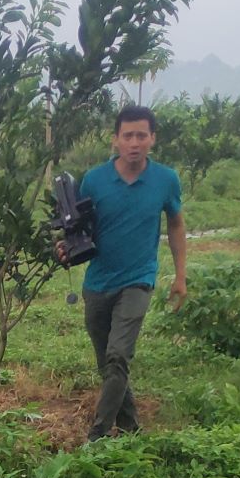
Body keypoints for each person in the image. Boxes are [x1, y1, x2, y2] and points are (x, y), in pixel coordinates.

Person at [57, 104, 188, 442]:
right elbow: (79, 231)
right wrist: (67, 248)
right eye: (127, 136)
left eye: (141, 135)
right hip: (97, 283)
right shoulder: (95, 180)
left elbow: (175, 224)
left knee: (118, 355)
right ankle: (131, 430)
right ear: (115, 140)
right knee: (110, 364)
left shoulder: (165, 180)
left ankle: (97, 437)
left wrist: (180, 275)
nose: (134, 142)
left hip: (138, 280)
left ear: (152, 139)